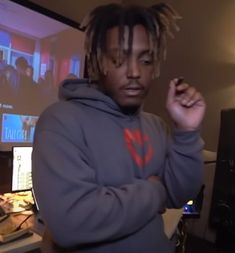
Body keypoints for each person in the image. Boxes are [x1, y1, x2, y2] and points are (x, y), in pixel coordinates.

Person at [32, 3, 206, 253]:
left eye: (145, 60)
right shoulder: (60, 122)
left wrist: (187, 132)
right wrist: (155, 191)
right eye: (118, 59)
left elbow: (180, 195)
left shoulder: (156, 125)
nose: (135, 72)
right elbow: (72, 223)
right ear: (97, 62)